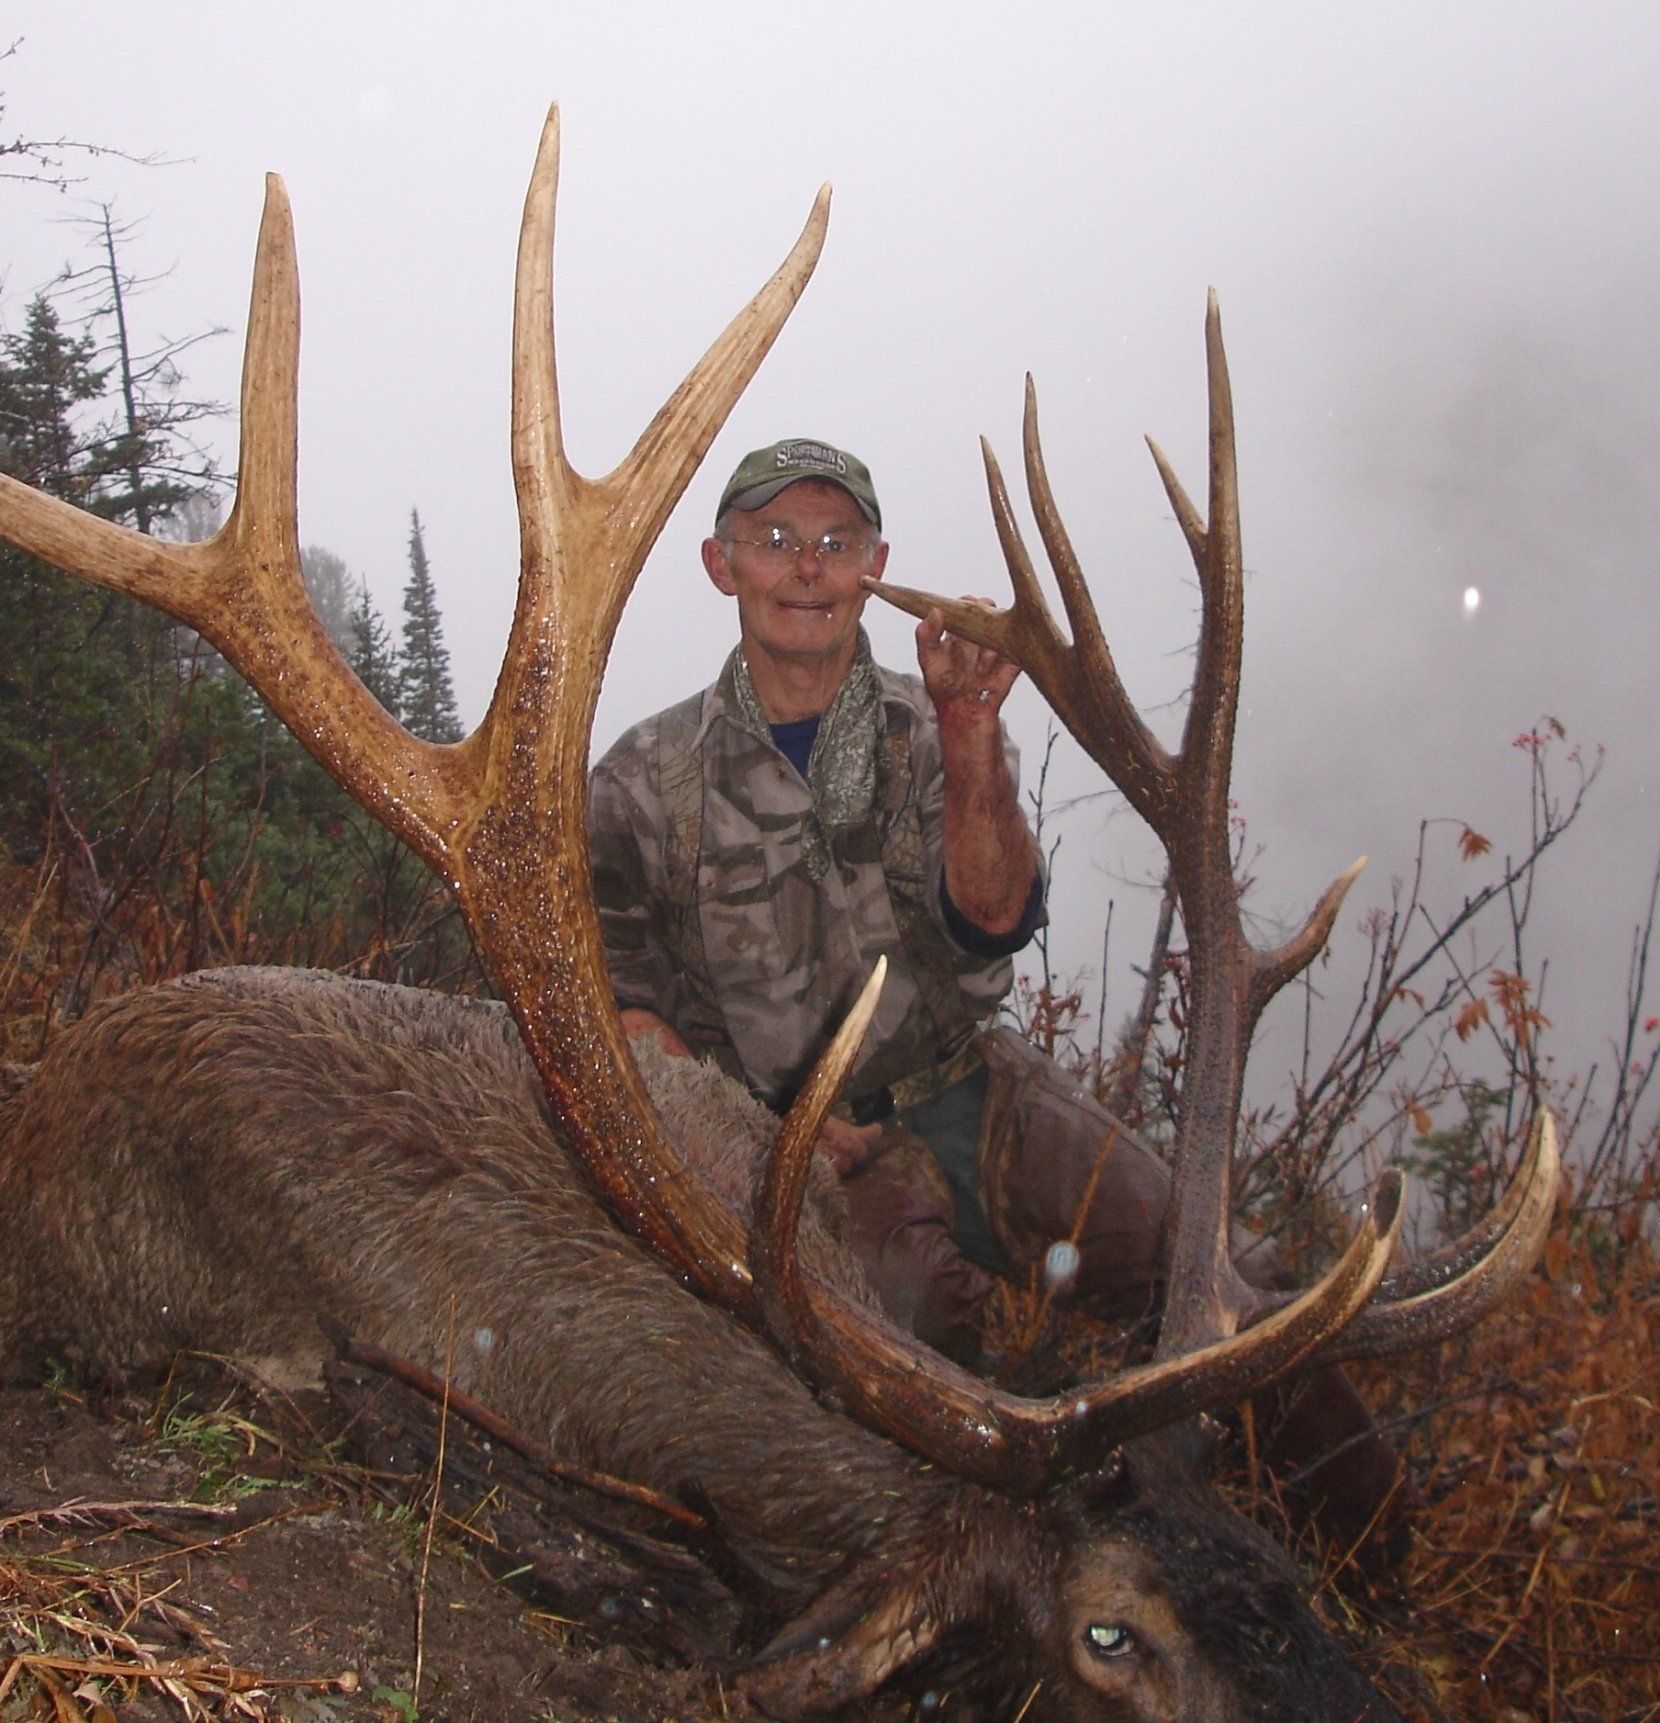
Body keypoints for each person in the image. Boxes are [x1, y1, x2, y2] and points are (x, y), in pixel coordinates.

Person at [589, 437, 1410, 1560]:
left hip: (975, 1090)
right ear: (719, 563)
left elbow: (991, 917)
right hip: (796, 1149)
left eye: (835, 543)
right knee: (915, 1375)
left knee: (1212, 1284)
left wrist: (973, 735)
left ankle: (1372, 1565)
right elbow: (616, 1007)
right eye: (775, 541)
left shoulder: (932, 720)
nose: (806, 569)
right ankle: (998, 1581)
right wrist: (745, 1134)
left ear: (877, 565)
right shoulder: (643, 779)